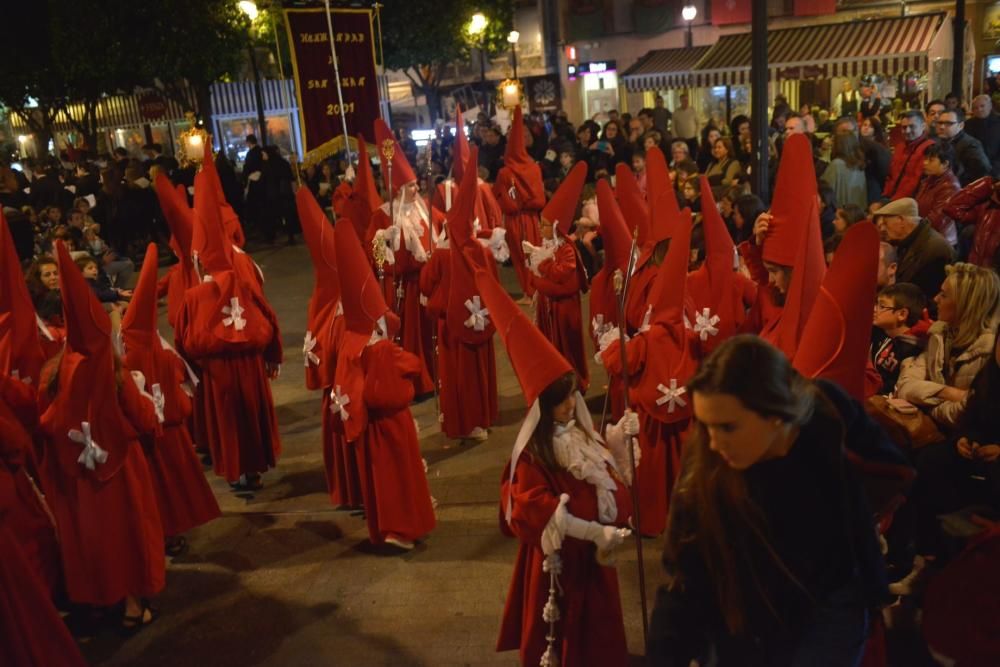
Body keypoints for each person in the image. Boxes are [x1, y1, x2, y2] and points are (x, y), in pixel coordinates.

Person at [648, 334, 901, 665]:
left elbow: (892, 473)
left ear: (775, 415)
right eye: (705, 426)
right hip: (738, 623)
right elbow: (685, 578)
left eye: (727, 427)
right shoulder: (707, 471)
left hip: (824, 614)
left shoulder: (828, 442)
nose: (712, 443)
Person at [477, 264, 636, 667]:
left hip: (593, 563)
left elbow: (611, 483)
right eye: (562, 401)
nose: (571, 405)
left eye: (572, 397)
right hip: (560, 568)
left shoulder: (582, 434)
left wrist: (619, 446)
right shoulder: (533, 456)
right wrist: (594, 532)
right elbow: (539, 510)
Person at [38, 240, 166, 632]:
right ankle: (131, 603)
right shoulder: (113, 372)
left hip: (76, 476)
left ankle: (96, 599)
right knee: (126, 534)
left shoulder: (55, 370)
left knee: (90, 538)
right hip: (121, 473)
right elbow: (143, 417)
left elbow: (44, 422)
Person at [174, 164, 283, 490]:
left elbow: (184, 340)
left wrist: (188, 371)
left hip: (217, 372)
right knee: (249, 418)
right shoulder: (242, 282)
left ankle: (235, 471)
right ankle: (254, 470)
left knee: (229, 424)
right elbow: (267, 319)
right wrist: (271, 355)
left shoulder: (195, 294)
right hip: (249, 368)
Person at [331, 218, 436, 551]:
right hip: (391, 423)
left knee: (381, 479)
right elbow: (412, 366)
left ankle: (389, 527)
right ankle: (400, 527)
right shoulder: (382, 348)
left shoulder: (350, 342)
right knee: (398, 478)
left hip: (368, 427)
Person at [121, 243, 220, 554]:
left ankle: (165, 535)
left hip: (152, 434)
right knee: (174, 488)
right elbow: (182, 379)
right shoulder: (160, 350)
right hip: (172, 430)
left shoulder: (126, 355)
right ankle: (172, 533)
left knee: (159, 490)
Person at [419, 146, 499, 441]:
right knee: (478, 372)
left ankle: (461, 420)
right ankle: (483, 416)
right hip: (480, 321)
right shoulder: (481, 251)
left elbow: (427, 285)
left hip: (451, 326)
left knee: (458, 376)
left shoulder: (441, 254)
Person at [368, 119, 443, 398]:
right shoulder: (383, 215)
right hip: (403, 287)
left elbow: (443, 228)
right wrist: (383, 242)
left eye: (416, 185)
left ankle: (434, 375)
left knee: (428, 333)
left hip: (427, 283)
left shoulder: (425, 209)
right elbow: (374, 256)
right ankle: (415, 381)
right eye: (410, 187)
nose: (416, 190)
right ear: (398, 189)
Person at [896, 263, 1000, 431]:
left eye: (944, 295)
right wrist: (947, 393)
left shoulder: (989, 352)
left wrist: (925, 405)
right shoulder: (940, 332)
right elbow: (905, 384)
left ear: (965, 305)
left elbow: (965, 415)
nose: (935, 299)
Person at [522, 162, 590, 392]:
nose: (541, 229)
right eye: (541, 224)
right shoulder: (547, 245)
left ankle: (571, 381)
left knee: (565, 346)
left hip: (563, 310)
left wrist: (542, 266)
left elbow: (561, 276)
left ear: (556, 227)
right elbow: (536, 279)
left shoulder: (566, 249)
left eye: (545, 225)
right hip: (548, 307)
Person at [494, 106, 545, 304]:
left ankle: (528, 291)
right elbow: (540, 197)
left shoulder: (505, 173)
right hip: (533, 218)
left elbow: (500, 196)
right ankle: (537, 288)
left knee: (520, 255)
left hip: (515, 220)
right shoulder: (534, 167)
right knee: (535, 252)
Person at [873, 197, 955, 307]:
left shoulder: (934, 249)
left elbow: (922, 296)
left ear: (901, 220)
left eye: (886, 223)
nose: (882, 229)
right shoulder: (904, 243)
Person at [870, 282, 930, 392]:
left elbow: (895, 385)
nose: (874, 309)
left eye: (881, 306)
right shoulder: (882, 333)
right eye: (876, 304)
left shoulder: (912, 349)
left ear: (902, 314)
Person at [943, 175, 1000, 271]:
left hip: (991, 281)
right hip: (974, 274)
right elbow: (951, 207)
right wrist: (988, 185)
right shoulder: (990, 203)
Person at [914, 140, 961, 247]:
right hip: (925, 235)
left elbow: (937, 219)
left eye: (931, 160)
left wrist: (912, 227)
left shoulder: (950, 186)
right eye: (925, 159)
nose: (925, 163)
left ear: (945, 164)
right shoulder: (928, 180)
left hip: (940, 242)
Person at [883, 110, 935, 201]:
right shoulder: (900, 147)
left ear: (923, 126)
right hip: (891, 198)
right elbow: (891, 176)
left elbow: (915, 182)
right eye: (904, 127)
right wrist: (885, 195)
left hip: (909, 202)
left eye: (912, 126)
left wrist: (892, 201)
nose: (907, 131)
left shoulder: (930, 148)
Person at [935, 109, 991, 187]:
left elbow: (983, 171)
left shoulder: (970, 145)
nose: (942, 127)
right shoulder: (939, 142)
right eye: (940, 123)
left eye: (949, 123)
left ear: (961, 125)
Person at [821, 131, 868, 210]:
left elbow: (825, 192)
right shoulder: (859, 164)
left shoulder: (836, 165)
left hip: (841, 214)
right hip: (857, 213)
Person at [964, 94, 1000, 177]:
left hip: (996, 170)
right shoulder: (968, 124)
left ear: (990, 106)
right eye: (975, 108)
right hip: (973, 171)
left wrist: (995, 169)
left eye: (982, 106)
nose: (979, 109)